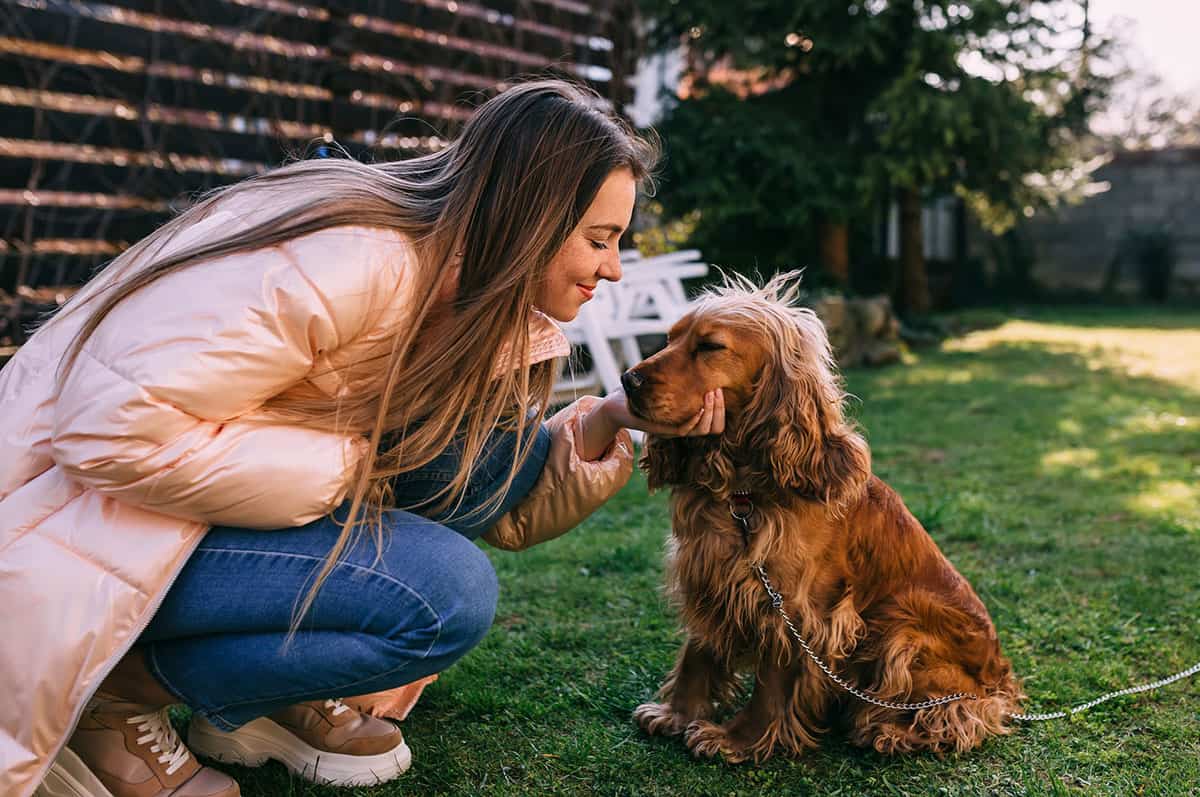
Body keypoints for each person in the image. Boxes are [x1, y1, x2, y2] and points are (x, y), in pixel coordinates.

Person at [0, 78, 727, 797]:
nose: (613, 267)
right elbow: (106, 433)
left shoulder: (465, 297)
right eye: (599, 239)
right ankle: (110, 701)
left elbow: (494, 493)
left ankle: (267, 699)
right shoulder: (346, 260)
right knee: (444, 596)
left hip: (177, 510)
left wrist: (607, 418)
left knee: (469, 460)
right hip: (67, 523)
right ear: (529, 215)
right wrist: (353, 462)